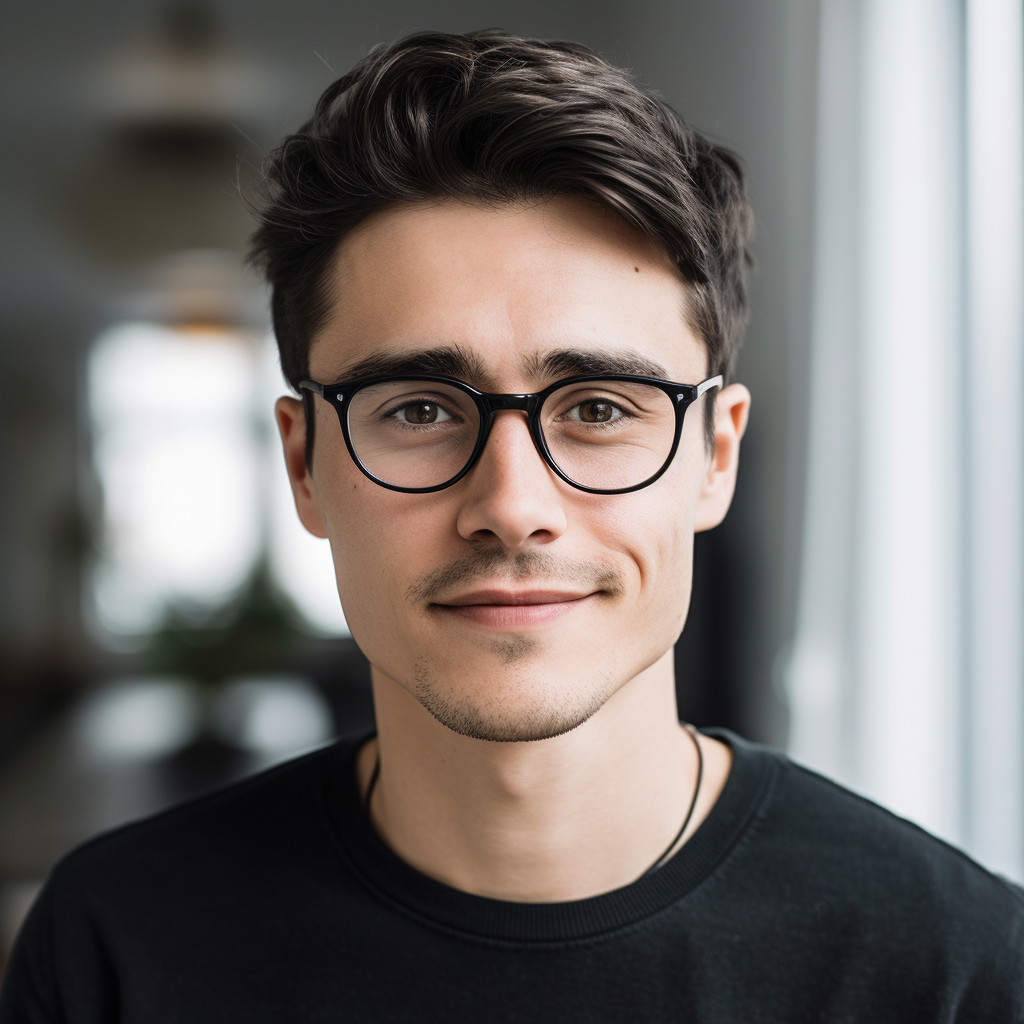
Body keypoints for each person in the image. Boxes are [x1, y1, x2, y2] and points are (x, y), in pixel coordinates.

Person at [2, 30, 1022, 1024]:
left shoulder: (960, 970)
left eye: (599, 407)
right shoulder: (116, 944)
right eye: (416, 409)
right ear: (305, 463)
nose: (511, 507)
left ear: (714, 455)